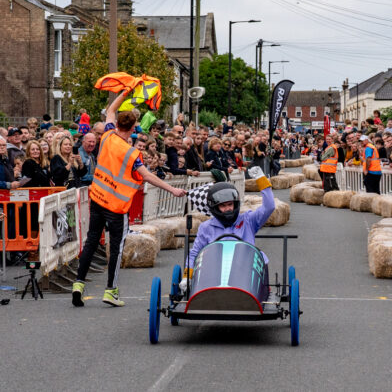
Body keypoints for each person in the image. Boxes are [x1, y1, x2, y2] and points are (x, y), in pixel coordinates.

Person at [72, 88, 187, 308]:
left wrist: (125, 91)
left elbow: (110, 110)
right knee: (115, 248)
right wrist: (172, 190)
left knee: (91, 241)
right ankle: (110, 291)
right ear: (133, 128)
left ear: (117, 125)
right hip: (116, 206)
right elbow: (147, 176)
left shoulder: (106, 136)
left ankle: (78, 283)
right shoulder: (132, 153)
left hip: (97, 197)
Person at [186, 167, 276, 289]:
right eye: (223, 206)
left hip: (244, 270)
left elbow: (269, 207)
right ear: (215, 208)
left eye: (230, 204)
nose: (227, 209)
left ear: (235, 204)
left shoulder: (248, 220)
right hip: (215, 273)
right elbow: (195, 253)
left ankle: (260, 288)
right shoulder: (206, 227)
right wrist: (187, 277)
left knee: (261, 257)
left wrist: (262, 180)